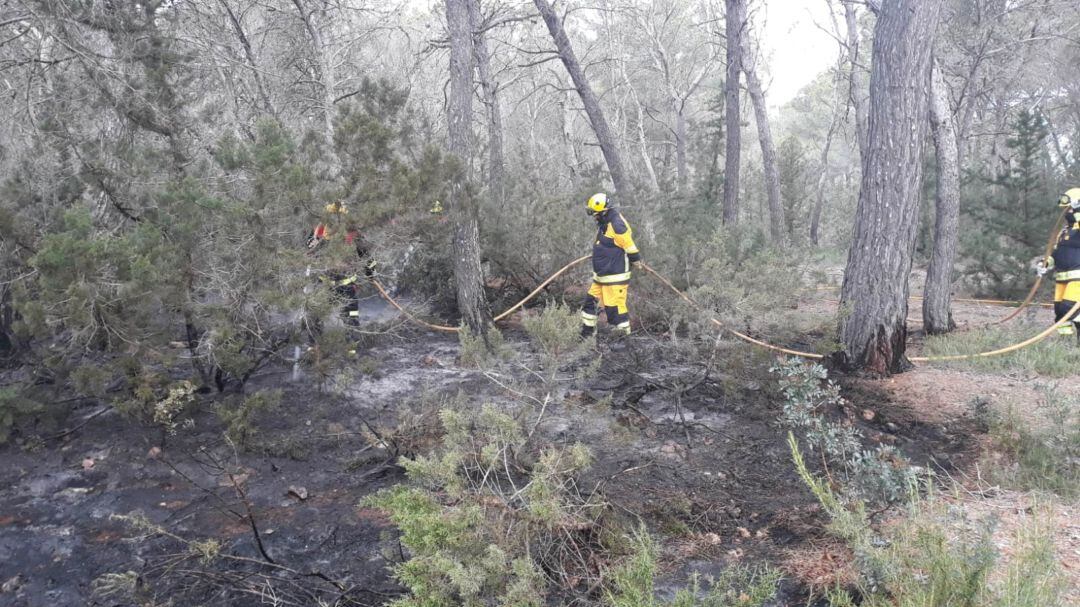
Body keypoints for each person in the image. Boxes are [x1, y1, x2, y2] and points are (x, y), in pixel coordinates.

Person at [580, 192, 642, 338]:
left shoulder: (617, 225)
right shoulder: (605, 223)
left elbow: (630, 246)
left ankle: (622, 339)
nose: (594, 217)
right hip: (601, 277)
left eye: (595, 214)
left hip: (615, 277)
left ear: (604, 211)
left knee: (615, 310)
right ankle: (587, 335)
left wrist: (636, 260)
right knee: (590, 305)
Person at [307, 202, 375, 322]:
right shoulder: (320, 230)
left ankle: (353, 338)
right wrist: (314, 243)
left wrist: (370, 272)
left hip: (346, 285)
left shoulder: (352, 232)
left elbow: (365, 254)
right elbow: (309, 248)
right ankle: (314, 340)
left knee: (351, 317)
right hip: (324, 283)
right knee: (315, 315)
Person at [1037, 187, 1080, 337]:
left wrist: (1078, 209)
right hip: (1062, 278)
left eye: (1068, 209)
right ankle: (1067, 345)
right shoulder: (1063, 232)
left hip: (1077, 278)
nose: (1066, 212)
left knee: (1068, 308)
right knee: (1060, 312)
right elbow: (1055, 253)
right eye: (1065, 209)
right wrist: (1045, 263)